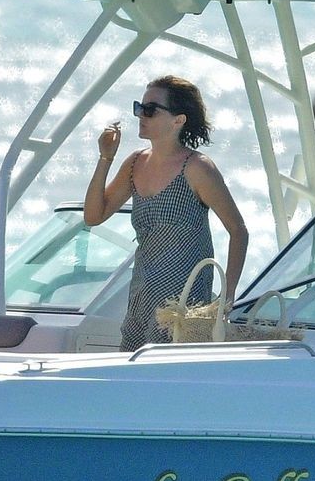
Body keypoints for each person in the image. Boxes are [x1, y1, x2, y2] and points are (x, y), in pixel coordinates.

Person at [85, 76, 249, 350]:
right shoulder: (135, 163)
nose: (141, 115)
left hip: (183, 308)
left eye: (150, 109)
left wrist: (227, 297)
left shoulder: (197, 168)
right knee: (133, 371)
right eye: (139, 107)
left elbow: (238, 230)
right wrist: (106, 157)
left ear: (178, 120)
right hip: (141, 300)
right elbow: (93, 216)